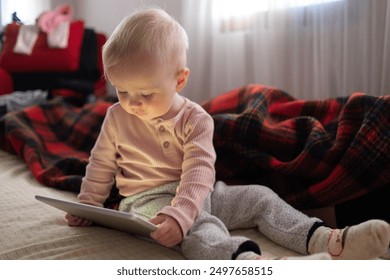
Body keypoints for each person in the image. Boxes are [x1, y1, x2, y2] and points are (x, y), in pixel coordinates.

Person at [65, 7, 390, 260]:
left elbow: (199, 172)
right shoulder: (116, 117)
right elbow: (100, 163)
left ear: (179, 81)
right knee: (199, 227)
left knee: (260, 197)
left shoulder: (196, 118)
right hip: (146, 201)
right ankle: (242, 259)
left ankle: (327, 240)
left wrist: (186, 207)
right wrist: (88, 204)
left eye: (146, 94)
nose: (132, 104)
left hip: (204, 193)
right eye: (122, 91)